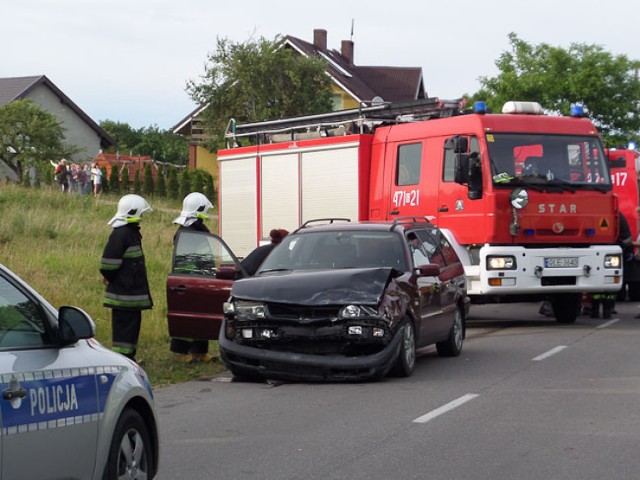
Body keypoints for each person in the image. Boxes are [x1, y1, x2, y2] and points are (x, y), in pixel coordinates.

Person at [100, 194, 153, 361]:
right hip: (124, 295)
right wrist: (111, 277)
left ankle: (128, 357)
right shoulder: (121, 234)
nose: (142, 217)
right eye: (141, 213)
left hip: (131, 295)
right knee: (124, 329)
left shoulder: (129, 233)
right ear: (133, 212)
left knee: (131, 329)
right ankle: (122, 360)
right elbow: (108, 264)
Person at [170, 192, 217, 364]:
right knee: (187, 317)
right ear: (198, 210)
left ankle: (200, 351)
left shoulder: (197, 229)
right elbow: (186, 261)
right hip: (188, 281)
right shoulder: (186, 232)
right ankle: (180, 351)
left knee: (202, 316)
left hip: (202, 280)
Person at [592, 213, 634, 319]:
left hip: (594, 251)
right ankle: (608, 309)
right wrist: (628, 250)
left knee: (596, 283)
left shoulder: (592, 213)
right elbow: (627, 238)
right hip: (613, 251)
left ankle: (595, 310)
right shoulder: (617, 215)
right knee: (610, 284)